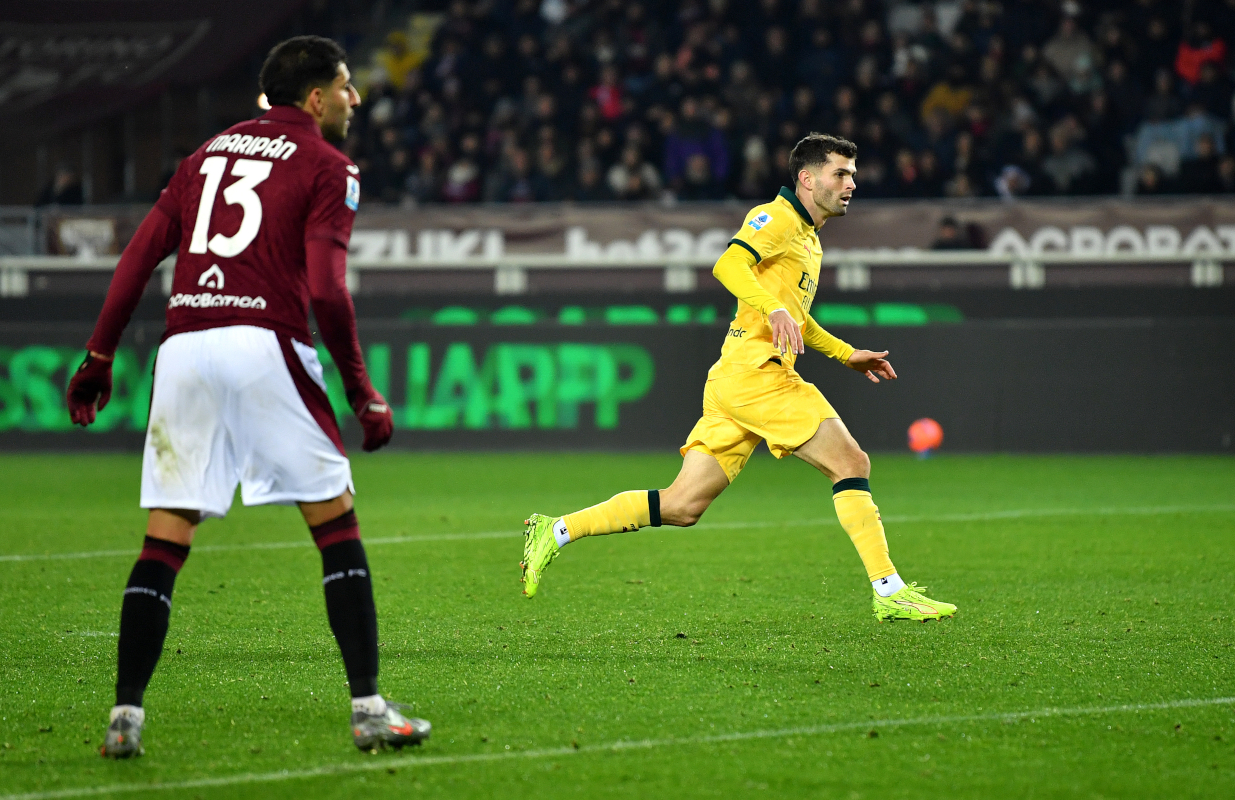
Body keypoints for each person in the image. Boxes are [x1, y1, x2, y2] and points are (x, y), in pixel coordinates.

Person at [66, 36, 429, 759]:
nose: (355, 99)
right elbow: (326, 288)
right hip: (265, 342)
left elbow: (140, 254)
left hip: (185, 347)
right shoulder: (330, 165)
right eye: (347, 86)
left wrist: (100, 352)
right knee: (335, 525)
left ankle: (124, 718)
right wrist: (361, 391)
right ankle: (367, 710)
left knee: (165, 537)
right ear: (317, 97)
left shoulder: (204, 155)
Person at [519, 134, 956, 624]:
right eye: (841, 173)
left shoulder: (809, 238)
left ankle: (554, 530)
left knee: (683, 505)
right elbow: (727, 262)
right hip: (757, 375)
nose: (851, 183)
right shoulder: (777, 218)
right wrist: (772, 307)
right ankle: (890, 590)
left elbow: (796, 318)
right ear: (807, 179)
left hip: (733, 379)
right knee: (851, 461)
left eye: (853, 174)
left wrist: (845, 353)